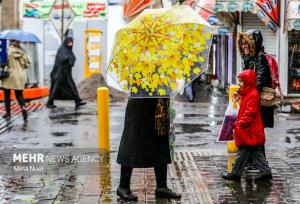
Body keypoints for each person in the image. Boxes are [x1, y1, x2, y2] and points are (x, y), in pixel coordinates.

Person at [116, 98, 181, 202]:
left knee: (160, 138)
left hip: (159, 101)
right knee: (132, 140)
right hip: (139, 99)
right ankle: (123, 186)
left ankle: (162, 187)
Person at [222, 70, 272, 181]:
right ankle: (265, 172)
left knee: (243, 152)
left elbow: (250, 113)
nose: (239, 84)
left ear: (248, 82)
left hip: (249, 130)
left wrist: (239, 124)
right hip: (249, 131)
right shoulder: (249, 92)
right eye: (239, 81)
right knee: (254, 153)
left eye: (241, 81)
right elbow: (244, 93)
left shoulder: (253, 95)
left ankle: (235, 174)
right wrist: (238, 93)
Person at [237, 29, 274, 128]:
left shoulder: (260, 57)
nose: (243, 46)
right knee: (252, 130)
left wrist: (248, 97)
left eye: (245, 43)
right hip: (252, 99)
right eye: (241, 44)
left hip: (257, 100)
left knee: (256, 130)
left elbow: (260, 81)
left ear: (253, 43)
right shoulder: (248, 57)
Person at [46, 31, 86, 109]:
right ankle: (49, 102)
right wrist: (70, 59)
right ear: (65, 42)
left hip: (66, 73)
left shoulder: (68, 50)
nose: (70, 43)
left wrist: (71, 59)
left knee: (72, 87)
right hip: (59, 73)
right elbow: (65, 58)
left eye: (71, 42)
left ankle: (77, 101)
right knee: (56, 88)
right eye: (69, 42)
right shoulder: (62, 49)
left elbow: (72, 58)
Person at [1, 40, 30, 120]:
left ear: (11, 42)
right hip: (20, 76)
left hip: (9, 75)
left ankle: (8, 113)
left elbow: (2, 64)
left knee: (7, 95)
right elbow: (28, 63)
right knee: (19, 95)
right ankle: (23, 108)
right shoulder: (23, 51)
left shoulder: (8, 51)